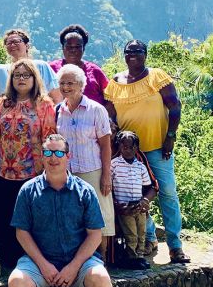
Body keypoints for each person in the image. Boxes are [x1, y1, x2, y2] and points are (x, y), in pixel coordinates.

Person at [8, 134, 115, 287]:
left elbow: (94, 235)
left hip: (79, 261)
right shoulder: (28, 191)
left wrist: (74, 266)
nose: (53, 158)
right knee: (16, 282)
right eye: (48, 152)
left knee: (102, 278)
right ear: (42, 156)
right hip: (41, 261)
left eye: (58, 152)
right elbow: (21, 232)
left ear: (68, 156)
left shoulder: (85, 191)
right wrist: (43, 264)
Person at [104, 40, 190, 263]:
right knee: (133, 195)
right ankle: (149, 237)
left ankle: (175, 246)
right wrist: (113, 129)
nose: (133, 55)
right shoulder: (115, 83)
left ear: (146, 54)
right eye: (128, 52)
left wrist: (170, 137)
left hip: (157, 148)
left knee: (167, 193)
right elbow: (111, 115)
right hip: (128, 152)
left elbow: (175, 106)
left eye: (138, 51)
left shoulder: (157, 77)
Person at [0, 58, 56, 266]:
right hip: (4, 170)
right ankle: (7, 259)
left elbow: (49, 138)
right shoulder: (2, 103)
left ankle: (31, 259)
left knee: (31, 217)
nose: (21, 79)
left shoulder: (44, 104)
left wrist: (49, 168)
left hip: (33, 171)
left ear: (35, 79)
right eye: (17, 75)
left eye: (26, 75)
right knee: (5, 214)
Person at [55, 64, 115, 262]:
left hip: (93, 171)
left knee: (99, 219)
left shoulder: (96, 110)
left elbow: (106, 146)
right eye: (62, 83)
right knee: (74, 219)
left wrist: (106, 175)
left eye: (70, 83)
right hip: (69, 174)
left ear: (81, 85)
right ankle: (78, 262)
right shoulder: (58, 111)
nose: (66, 87)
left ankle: (102, 261)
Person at [111, 131, 155, 267]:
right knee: (131, 234)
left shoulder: (140, 166)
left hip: (139, 206)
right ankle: (132, 257)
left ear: (137, 148)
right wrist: (116, 204)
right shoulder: (114, 165)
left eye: (132, 147)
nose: (129, 150)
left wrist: (145, 201)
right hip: (125, 207)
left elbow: (149, 186)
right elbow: (108, 185)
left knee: (142, 232)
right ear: (119, 147)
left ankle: (140, 256)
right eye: (125, 147)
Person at [49, 24, 109, 105]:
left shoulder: (95, 71)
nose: (73, 50)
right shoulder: (51, 69)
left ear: (83, 48)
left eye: (77, 47)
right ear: (63, 48)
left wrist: (100, 115)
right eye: (69, 46)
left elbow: (110, 98)